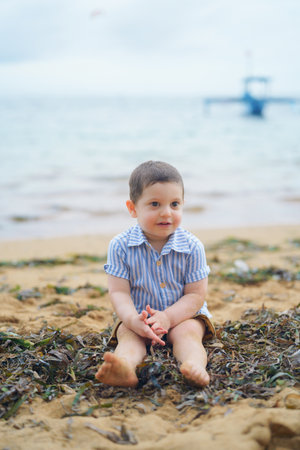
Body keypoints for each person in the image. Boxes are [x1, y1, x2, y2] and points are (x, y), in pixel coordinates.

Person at [95, 161, 215, 388]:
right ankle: (124, 368)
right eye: (154, 204)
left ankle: (194, 365)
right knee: (130, 337)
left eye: (174, 204)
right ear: (133, 208)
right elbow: (119, 292)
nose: (166, 212)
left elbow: (195, 296)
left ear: (183, 205)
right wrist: (132, 319)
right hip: (138, 317)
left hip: (184, 316)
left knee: (188, 335)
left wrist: (168, 318)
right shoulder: (120, 246)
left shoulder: (193, 246)